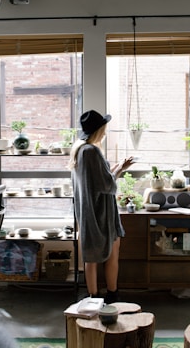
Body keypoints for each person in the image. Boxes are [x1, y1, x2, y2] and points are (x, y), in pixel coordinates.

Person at [69, 110, 135, 304]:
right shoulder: (92, 151)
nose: (105, 132)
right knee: (112, 253)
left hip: (88, 213)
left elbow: (99, 179)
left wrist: (116, 167)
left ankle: (93, 298)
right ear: (98, 130)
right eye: (104, 128)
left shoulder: (80, 150)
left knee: (90, 256)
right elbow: (107, 185)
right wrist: (121, 169)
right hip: (101, 214)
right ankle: (112, 295)